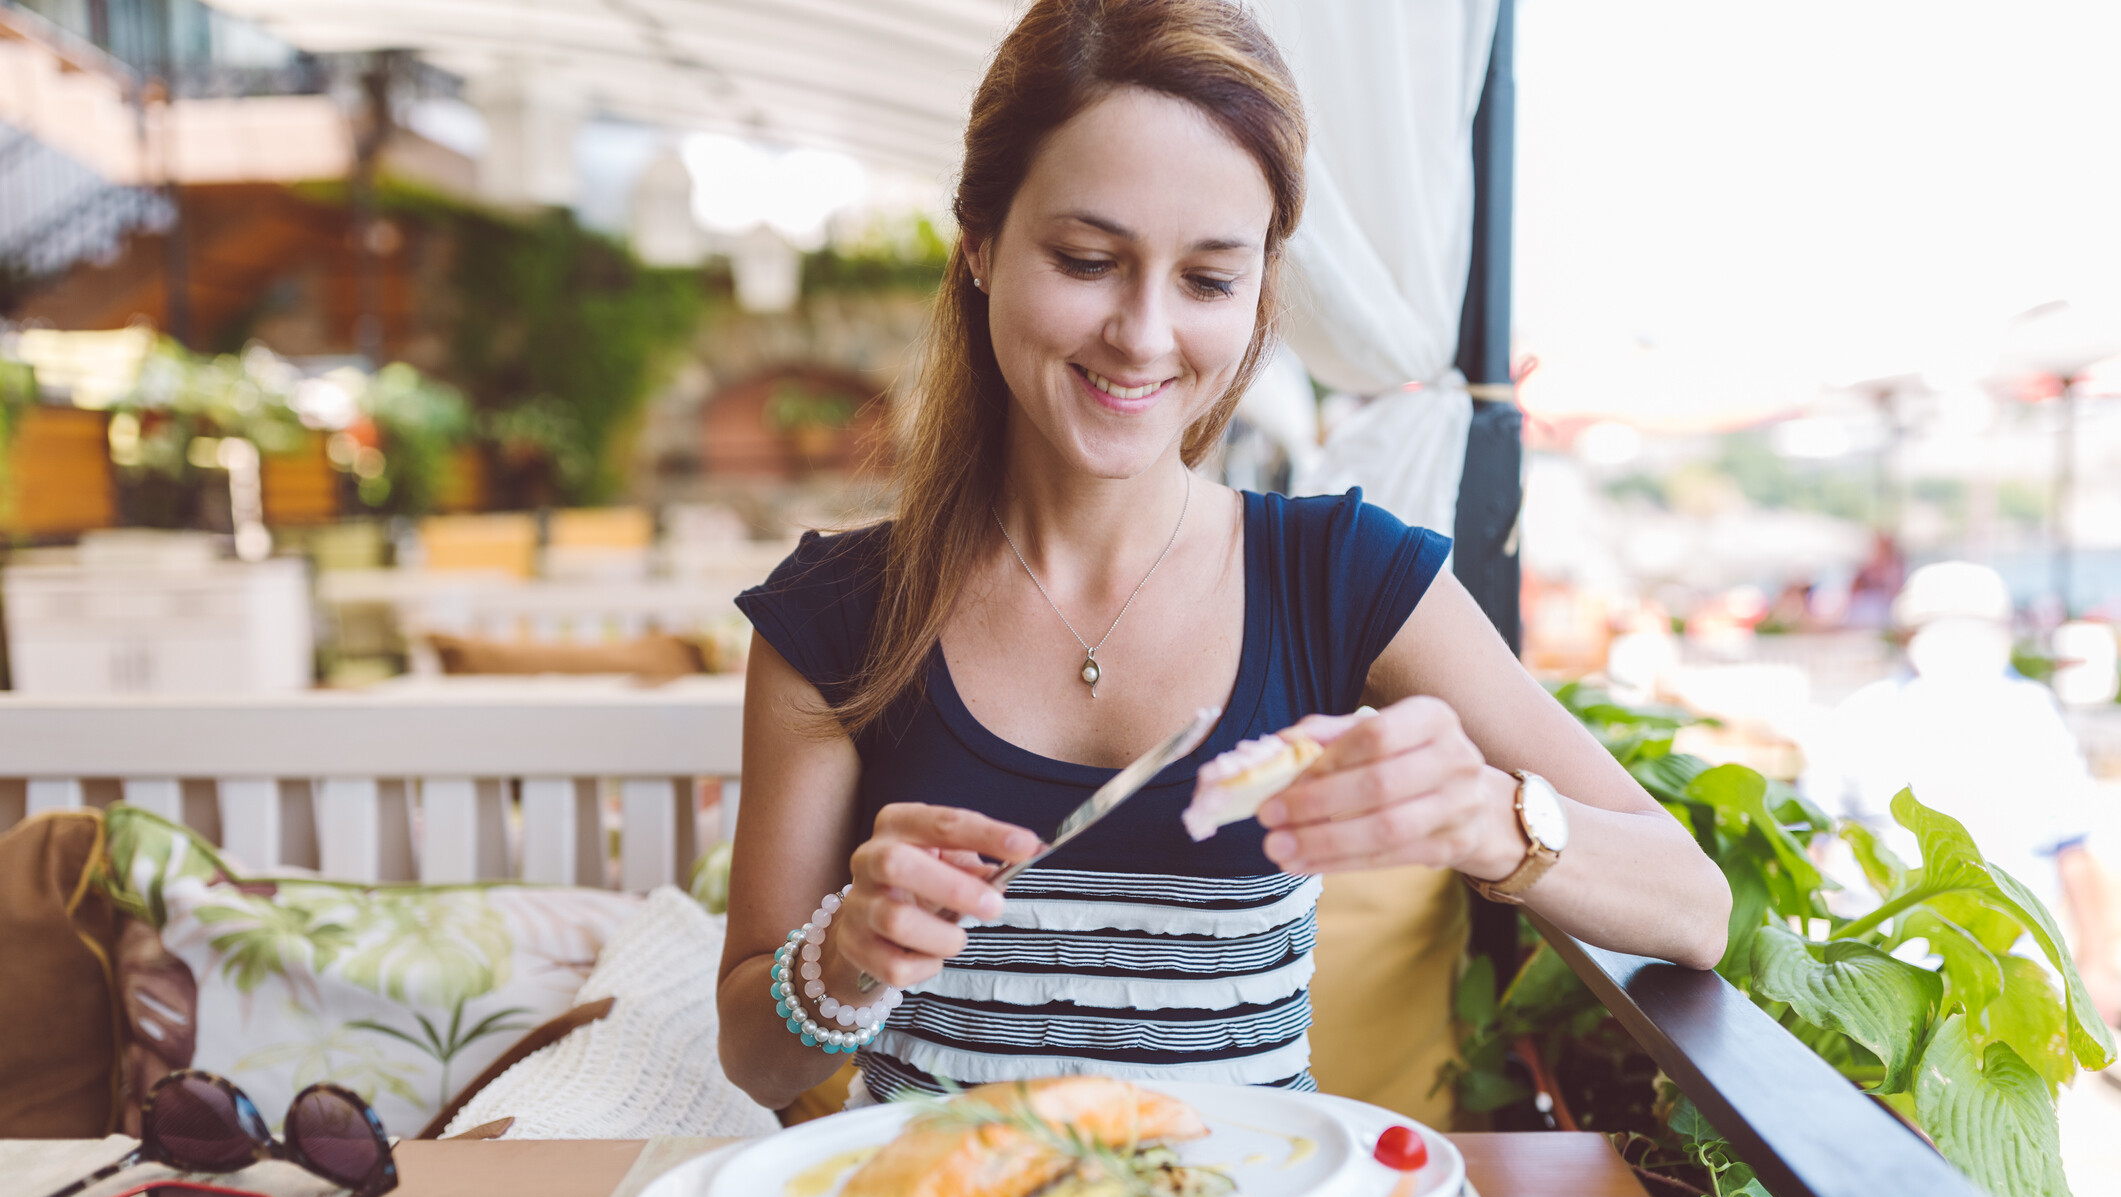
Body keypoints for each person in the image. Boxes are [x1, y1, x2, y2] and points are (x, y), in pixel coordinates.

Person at [719, 0, 1730, 1112]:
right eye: (1088, 258)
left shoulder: (1342, 576)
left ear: (1260, 289)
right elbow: (756, 1059)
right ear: (980, 242)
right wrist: (843, 957)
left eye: (1208, 280)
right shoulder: (838, 615)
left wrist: (1486, 817)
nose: (1145, 335)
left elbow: (1692, 905)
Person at [1805, 560, 2121, 1022]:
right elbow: (2074, 852)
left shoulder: (1863, 712)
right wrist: (2096, 965)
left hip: (1881, 983)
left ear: (1905, 633)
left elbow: (1810, 844)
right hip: (2000, 981)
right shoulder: (2033, 712)